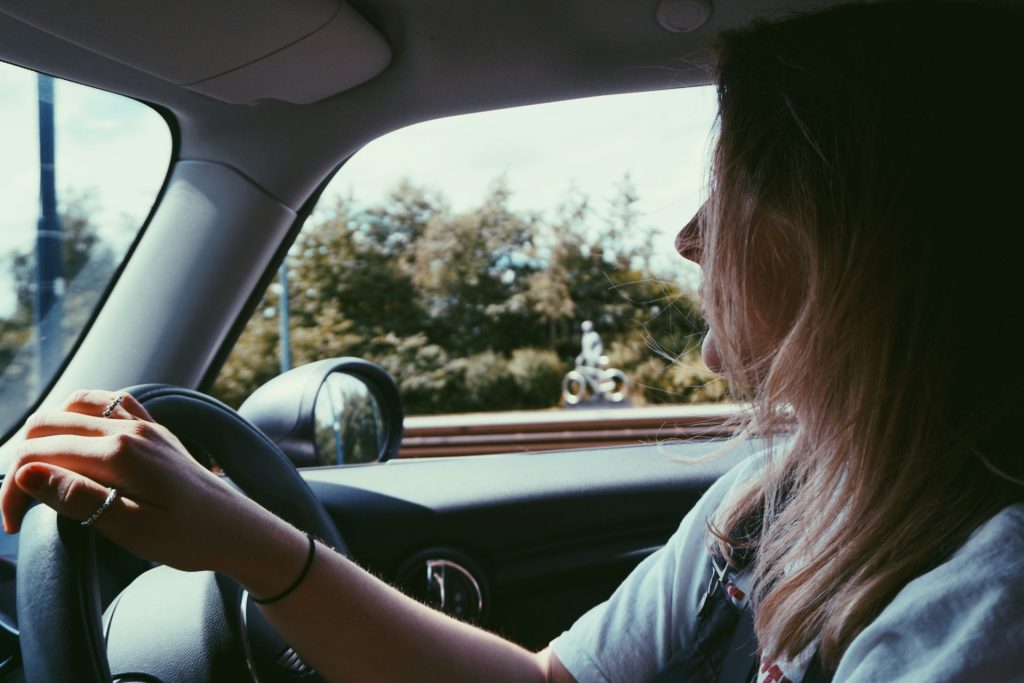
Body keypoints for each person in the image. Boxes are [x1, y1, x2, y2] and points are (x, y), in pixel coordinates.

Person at [3, 2, 1024, 681]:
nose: (687, 236)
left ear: (853, 234)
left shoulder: (988, 597)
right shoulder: (777, 494)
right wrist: (248, 541)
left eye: (732, 184)